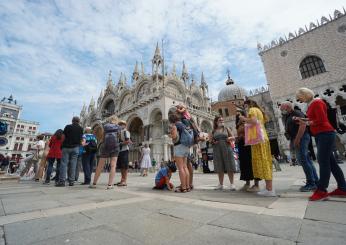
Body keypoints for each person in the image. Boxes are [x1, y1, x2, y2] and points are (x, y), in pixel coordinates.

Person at [295, 88, 346, 201]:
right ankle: (343, 188)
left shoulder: (317, 102)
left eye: (300, 96)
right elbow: (315, 118)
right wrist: (304, 120)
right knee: (332, 163)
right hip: (320, 134)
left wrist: (307, 122)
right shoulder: (312, 103)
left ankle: (322, 190)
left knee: (323, 161)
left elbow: (322, 119)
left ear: (306, 94)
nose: (299, 99)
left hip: (325, 133)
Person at [280, 101, 319, 192]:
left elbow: (303, 125)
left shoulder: (297, 113)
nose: (281, 110)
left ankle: (311, 183)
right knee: (306, 160)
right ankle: (315, 181)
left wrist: (297, 139)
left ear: (287, 107)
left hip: (301, 138)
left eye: (282, 108)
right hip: (296, 138)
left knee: (303, 160)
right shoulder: (288, 115)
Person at [239, 100, 275, 197]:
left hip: (258, 139)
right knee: (265, 162)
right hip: (261, 138)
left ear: (249, 105)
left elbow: (254, 121)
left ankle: (270, 189)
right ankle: (268, 187)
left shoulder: (252, 110)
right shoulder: (258, 110)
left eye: (245, 106)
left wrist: (244, 118)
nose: (245, 108)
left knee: (263, 162)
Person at [89, 115, 120, 189]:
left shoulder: (105, 126)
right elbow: (120, 137)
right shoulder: (118, 127)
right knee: (113, 165)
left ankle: (94, 183)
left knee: (100, 166)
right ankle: (110, 185)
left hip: (105, 147)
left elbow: (102, 138)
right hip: (115, 147)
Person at [210, 116, 236, 191]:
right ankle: (220, 184)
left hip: (227, 148)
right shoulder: (213, 131)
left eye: (222, 120)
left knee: (229, 165)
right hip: (217, 149)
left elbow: (233, 137)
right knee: (219, 166)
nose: (221, 121)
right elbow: (210, 140)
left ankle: (232, 184)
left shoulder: (226, 129)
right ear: (216, 122)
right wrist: (213, 142)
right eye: (219, 120)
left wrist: (229, 138)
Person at [56, 117, 83, 187]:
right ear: (79, 121)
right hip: (75, 148)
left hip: (66, 147)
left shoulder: (68, 127)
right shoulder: (81, 128)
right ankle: (71, 181)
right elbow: (81, 138)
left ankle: (62, 181)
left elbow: (63, 136)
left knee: (64, 164)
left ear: (72, 121)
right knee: (73, 165)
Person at [169, 112, 190, 193]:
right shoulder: (184, 125)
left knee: (180, 168)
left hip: (179, 147)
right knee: (185, 167)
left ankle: (183, 187)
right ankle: (187, 186)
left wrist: (170, 134)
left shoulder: (175, 126)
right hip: (186, 147)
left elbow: (174, 136)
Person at [236, 112, 257, 192]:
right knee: (244, 164)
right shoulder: (239, 125)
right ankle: (247, 183)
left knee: (252, 163)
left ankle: (256, 184)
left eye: (240, 115)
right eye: (238, 116)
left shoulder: (249, 122)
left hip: (249, 145)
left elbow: (254, 132)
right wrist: (238, 138)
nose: (239, 117)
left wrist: (244, 136)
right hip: (242, 145)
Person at [115, 120, 131, 186]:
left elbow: (127, 141)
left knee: (124, 166)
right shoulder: (119, 132)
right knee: (121, 166)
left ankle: (124, 181)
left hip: (124, 150)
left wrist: (118, 144)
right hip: (120, 151)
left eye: (122, 124)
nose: (120, 125)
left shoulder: (126, 132)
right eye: (119, 124)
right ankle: (122, 179)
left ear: (124, 125)